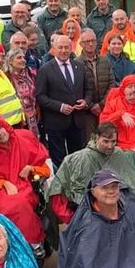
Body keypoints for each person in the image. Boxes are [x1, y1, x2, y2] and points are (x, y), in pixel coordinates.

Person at [46, 123, 135, 246]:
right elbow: (78, 191)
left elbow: (132, 180)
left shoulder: (117, 153)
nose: (110, 146)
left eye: (113, 142)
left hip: (123, 196)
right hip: (98, 202)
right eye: (106, 141)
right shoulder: (82, 158)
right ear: (96, 138)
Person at [0, 117, 51, 256]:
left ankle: (32, 242)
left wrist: (31, 168)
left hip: (25, 184)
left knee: (20, 204)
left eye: (0, 128)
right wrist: (4, 183)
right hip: (1, 189)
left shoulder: (25, 138)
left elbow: (45, 169)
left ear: (5, 126)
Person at [35, 34, 94, 168]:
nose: (63, 50)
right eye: (60, 47)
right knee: (59, 162)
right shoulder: (45, 70)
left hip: (77, 121)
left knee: (78, 159)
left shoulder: (79, 66)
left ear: (71, 48)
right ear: (54, 49)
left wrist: (86, 102)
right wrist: (59, 106)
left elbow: (88, 89)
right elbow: (40, 96)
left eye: (66, 47)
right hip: (56, 122)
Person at [77, 28, 110, 137]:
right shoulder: (76, 64)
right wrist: (91, 106)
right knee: (89, 141)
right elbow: (77, 89)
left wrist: (101, 104)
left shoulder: (105, 61)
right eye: (87, 41)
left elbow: (111, 84)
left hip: (105, 109)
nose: (91, 44)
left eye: (93, 41)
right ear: (81, 44)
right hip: (87, 112)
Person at [4, 47, 41, 138]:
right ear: (10, 61)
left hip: (33, 116)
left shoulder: (30, 74)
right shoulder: (6, 77)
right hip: (18, 118)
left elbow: (36, 94)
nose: (23, 60)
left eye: (23, 57)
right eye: (19, 58)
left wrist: (37, 109)